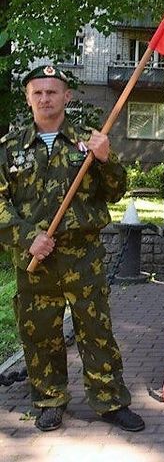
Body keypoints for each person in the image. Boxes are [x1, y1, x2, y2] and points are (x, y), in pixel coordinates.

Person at [0, 65, 144, 432]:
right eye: (38, 92)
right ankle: (49, 400)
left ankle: (110, 401)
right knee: (40, 332)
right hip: (36, 257)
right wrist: (27, 235)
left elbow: (114, 192)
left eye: (53, 91)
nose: (45, 98)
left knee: (96, 329)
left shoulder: (90, 141)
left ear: (67, 96)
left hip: (83, 255)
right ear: (28, 97)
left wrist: (107, 159)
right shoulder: (10, 147)